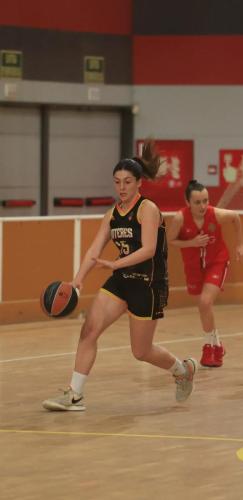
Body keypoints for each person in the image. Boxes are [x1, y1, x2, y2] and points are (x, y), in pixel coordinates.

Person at [42, 140, 197, 411]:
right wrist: (77, 279)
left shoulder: (147, 209)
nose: (122, 187)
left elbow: (149, 250)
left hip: (148, 284)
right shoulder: (113, 214)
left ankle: (182, 370)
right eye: (117, 182)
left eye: (127, 181)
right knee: (89, 331)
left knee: (141, 351)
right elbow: (94, 248)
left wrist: (115, 264)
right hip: (121, 280)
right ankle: (74, 394)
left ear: (139, 183)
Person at [168, 180, 243, 368]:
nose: (203, 206)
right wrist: (191, 243)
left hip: (217, 261)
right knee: (204, 307)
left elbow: (236, 217)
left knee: (205, 302)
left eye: (205, 200)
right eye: (197, 202)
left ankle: (209, 347)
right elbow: (170, 240)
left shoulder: (216, 214)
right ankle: (218, 345)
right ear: (188, 202)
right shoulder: (179, 218)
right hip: (194, 266)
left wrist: (240, 244)